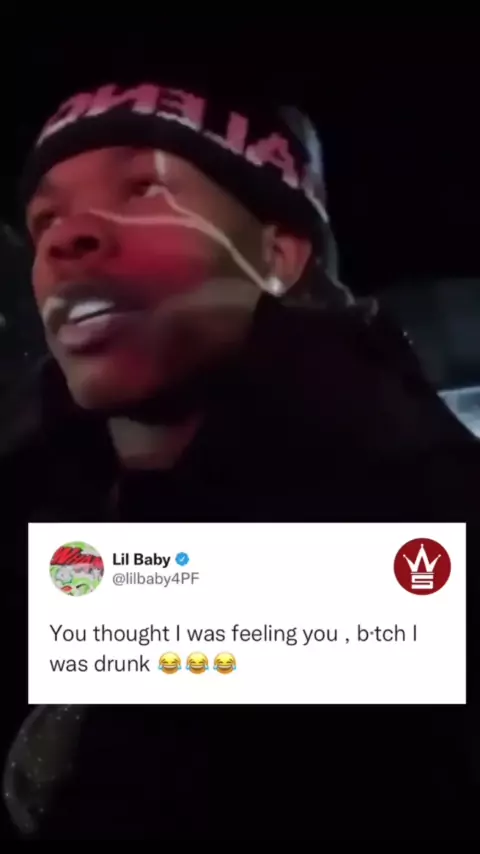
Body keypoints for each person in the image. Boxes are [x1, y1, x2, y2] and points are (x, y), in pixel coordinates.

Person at [2, 79, 479, 839]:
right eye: (44, 220)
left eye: (145, 190)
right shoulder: (48, 487)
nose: (65, 238)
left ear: (277, 256)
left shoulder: (404, 511)